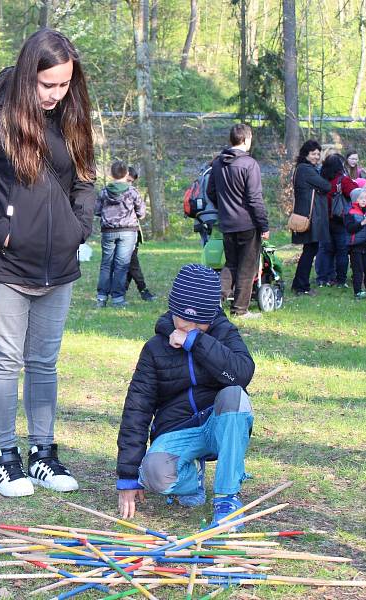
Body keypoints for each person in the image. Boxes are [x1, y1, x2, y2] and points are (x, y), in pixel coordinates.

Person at [0, 29, 95, 497]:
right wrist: (3, 231)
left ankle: (43, 454)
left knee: (44, 362)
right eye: (47, 85)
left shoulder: (70, 116)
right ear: (29, 74)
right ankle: (4, 456)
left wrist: (78, 227)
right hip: (2, 265)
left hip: (58, 265)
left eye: (64, 85)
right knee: (6, 361)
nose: (55, 94)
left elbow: (84, 178)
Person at [116, 264, 254, 528]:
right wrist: (128, 475)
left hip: (218, 424)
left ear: (212, 315)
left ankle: (226, 498)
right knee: (155, 473)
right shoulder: (155, 348)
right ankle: (192, 480)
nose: (188, 326)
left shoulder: (224, 334)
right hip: (176, 430)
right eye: (182, 319)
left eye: (198, 321)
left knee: (235, 395)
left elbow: (242, 373)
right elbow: (137, 408)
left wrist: (196, 342)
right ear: (173, 310)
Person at [207, 123, 269, 319]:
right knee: (246, 267)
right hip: (247, 223)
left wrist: (224, 208)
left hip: (227, 223)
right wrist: (264, 225)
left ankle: (216, 301)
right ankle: (240, 310)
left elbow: (211, 192)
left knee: (230, 264)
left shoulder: (217, 163)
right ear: (246, 139)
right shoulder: (249, 164)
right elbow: (254, 199)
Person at [94, 160, 146, 307]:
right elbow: (141, 213)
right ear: (126, 174)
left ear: (111, 174)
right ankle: (118, 299)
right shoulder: (132, 192)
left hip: (108, 231)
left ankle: (101, 297)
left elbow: (97, 211)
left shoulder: (104, 192)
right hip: (128, 231)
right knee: (121, 265)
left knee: (106, 264)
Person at [289, 140, 331, 296]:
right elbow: (326, 186)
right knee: (309, 251)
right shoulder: (306, 170)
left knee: (309, 250)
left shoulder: (303, 169)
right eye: (313, 154)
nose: (317, 157)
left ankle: (299, 284)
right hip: (310, 217)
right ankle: (301, 286)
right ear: (306, 154)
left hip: (306, 214)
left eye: (318, 154)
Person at [315, 154, 358, 288]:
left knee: (325, 250)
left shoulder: (320, 180)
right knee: (341, 251)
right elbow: (355, 191)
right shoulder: (342, 180)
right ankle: (340, 280)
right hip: (340, 219)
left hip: (323, 220)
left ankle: (323, 278)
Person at [123, 166, 157, 302]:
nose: (130, 184)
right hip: (128, 233)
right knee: (133, 265)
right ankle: (143, 290)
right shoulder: (126, 192)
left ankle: (122, 290)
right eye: (129, 180)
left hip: (132, 232)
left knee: (131, 264)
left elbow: (141, 213)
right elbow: (141, 212)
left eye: (132, 182)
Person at [344, 188, 366, 300]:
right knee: (358, 270)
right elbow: (350, 229)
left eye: (365, 198)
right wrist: (362, 223)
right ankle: (357, 292)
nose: (364, 200)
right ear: (355, 199)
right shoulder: (350, 212)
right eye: (361, 198)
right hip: (355, 246)